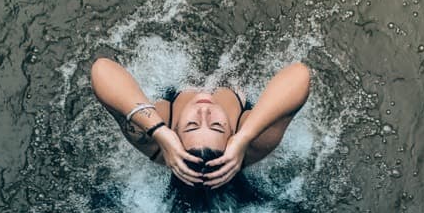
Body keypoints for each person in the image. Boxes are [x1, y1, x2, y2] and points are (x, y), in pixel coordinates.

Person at [90, 57, 311, 190]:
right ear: (231, 137)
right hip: (234, 88)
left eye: (192, 126)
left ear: (173, 136)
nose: (204, 110)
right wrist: (244, 137)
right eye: (217, 126)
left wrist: (158, 130)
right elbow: (300, 74)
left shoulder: (153, 140)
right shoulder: (252, 143)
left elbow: (101, 68)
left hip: (176, 91)